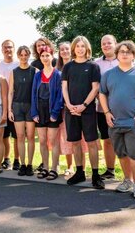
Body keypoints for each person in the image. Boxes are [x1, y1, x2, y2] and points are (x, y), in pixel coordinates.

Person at [99, 40, 135, 198]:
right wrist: (107, 113)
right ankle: (127, 180)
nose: (124, 54)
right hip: (114, 121)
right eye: (121, 51)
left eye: (128, 52)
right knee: (121, 153)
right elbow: (102, 94)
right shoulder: (108, 75)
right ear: (116, 54)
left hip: (134, 122)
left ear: (133, 55)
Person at [62, 36, 104, 189]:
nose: (80, 48)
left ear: (87, 48)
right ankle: (79, 172)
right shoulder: (67, 67)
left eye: (82, 46)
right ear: (73, 48)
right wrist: (69, 105)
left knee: (91, 142)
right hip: (71, 110)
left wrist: (84, 105)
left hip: (88, 111)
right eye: (77, 46)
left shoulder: (93, 66)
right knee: (74, 142)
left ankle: (95, 175)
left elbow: (95, 88)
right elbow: (64, 88)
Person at [31, 46, 63, 181]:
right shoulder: (37, 75)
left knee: (53, 141)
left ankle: (54, 169)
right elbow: (33, 94)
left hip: (52, 110)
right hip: (40, 110)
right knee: (42, 141)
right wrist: (34, 112)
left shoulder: (57, 75)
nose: (45, 58)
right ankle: (44, 167)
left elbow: (60, 96)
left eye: (47, 55)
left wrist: (55, 113)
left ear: (52, 57)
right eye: (42, 56)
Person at [56, 42, 87, 176]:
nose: (64, 51)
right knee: (67, 137)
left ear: (71, 50)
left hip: (79, 106)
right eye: (62, 49)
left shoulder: (78, 65)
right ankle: (70, 166)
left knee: (81, 139)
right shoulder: (57, 68)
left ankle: (82, 168)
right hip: (63, 107)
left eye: (67, 49)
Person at [8, 46, 36, 176]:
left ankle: (30, 165)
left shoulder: (35, 71)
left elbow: (37, 91)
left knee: (30, 136)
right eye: (21, 55)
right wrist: (9, 110)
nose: (24, 57)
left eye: (26, 55)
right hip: (17, 106)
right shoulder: (14, 72)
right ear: (18, 56)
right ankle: (22, 164)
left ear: (29, 55)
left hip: (30, 106)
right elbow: (10, 92)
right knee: (20, 137)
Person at [95, 34, 119, 179]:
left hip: (121, 109)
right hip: (102, 109)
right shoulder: (96, 64)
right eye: (103, 43)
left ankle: (130, 174)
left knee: (122, 140)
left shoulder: (123, 60)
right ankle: (110, 170)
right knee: (107, 140)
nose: (106, 46)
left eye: (109, 43)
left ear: (115, 44)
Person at [0, 39, 20, 171]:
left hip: (16, 104)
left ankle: (17, 159)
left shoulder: (19, 64)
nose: (8, 50)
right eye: (5, 47)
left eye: (10, 47)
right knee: (4, 135)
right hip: (0, 104)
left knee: (17, 135)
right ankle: (6, 159)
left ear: (14, 48)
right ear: (2, 50)